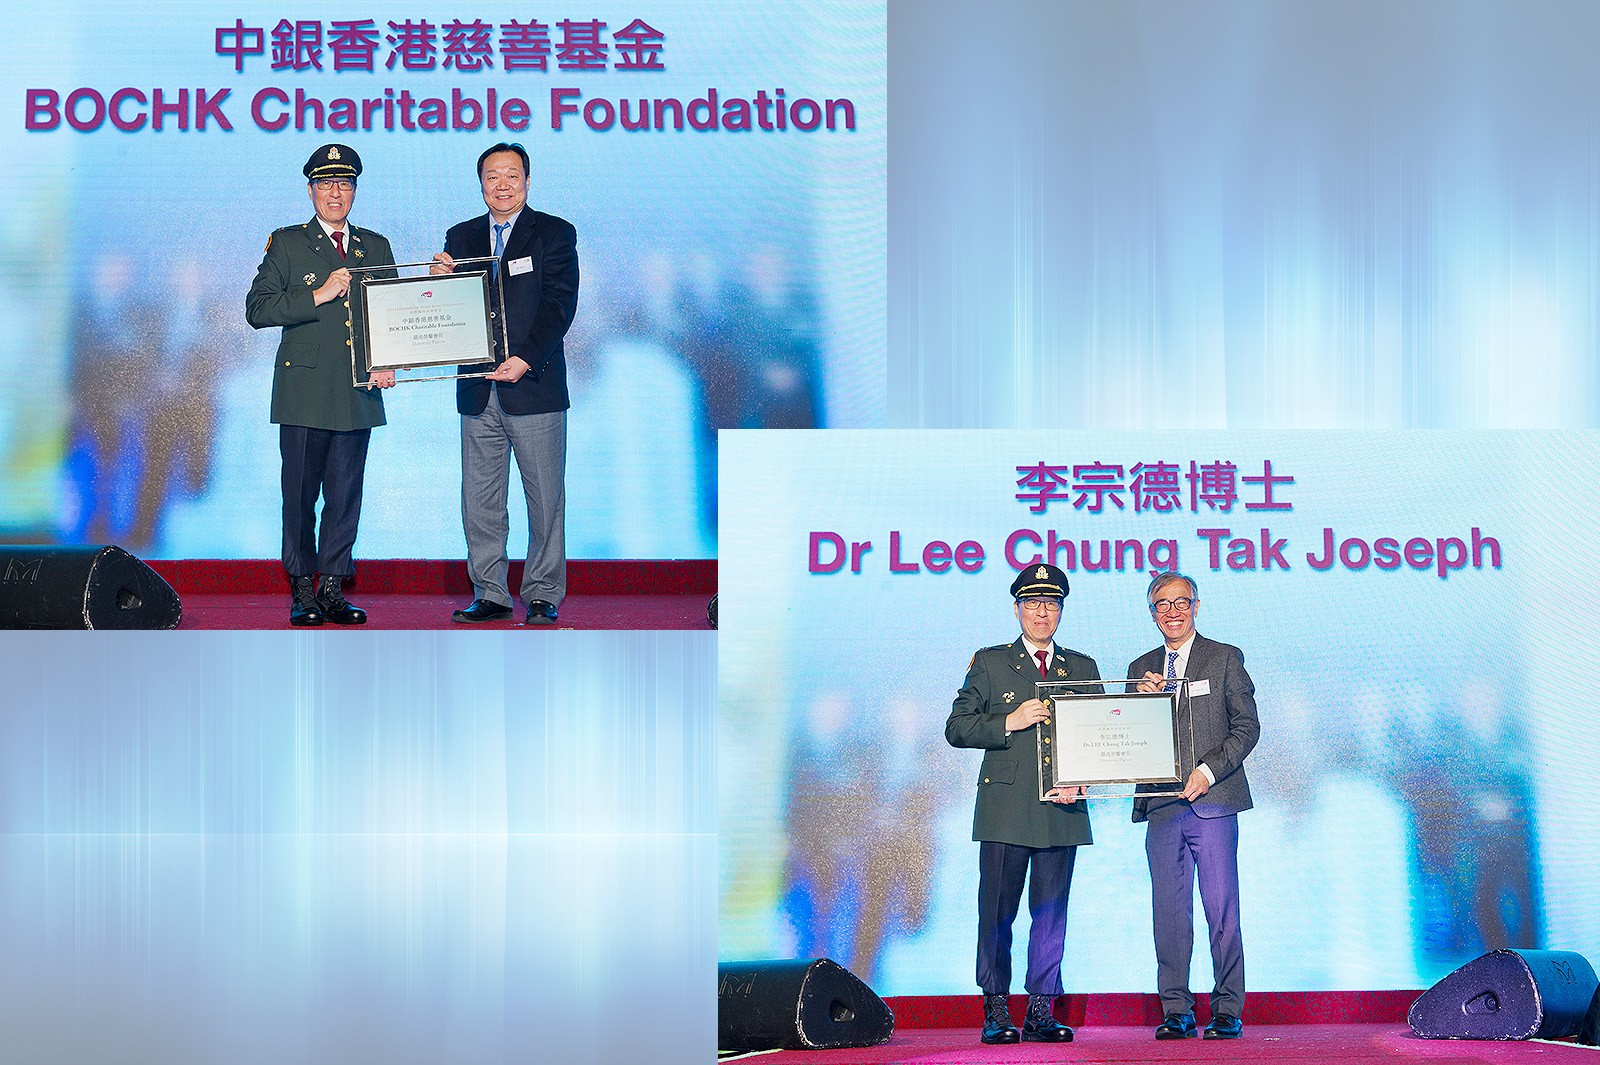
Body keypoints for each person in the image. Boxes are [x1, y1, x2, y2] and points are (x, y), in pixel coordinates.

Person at [944, 564, 1099, 1045]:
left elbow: (1097, 736)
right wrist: (1008, 720)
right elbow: (957, 728)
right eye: (1032, 603)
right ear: (1017, 610)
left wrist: (1087, 780)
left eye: (1050, 604)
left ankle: (1039, 1012)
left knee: (1051, 915)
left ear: (1060, 612)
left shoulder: (1082, 667)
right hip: (1006, 808)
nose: (1041, 612)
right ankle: (995, 1010)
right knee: (997, 913)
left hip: (1062, 807)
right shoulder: (990, 663)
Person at [246, 143, 395, 626]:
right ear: (311, 190)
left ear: (354, 191)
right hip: (305, 390)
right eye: (327, 184)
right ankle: (302, 590)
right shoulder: (287, 244)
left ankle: (333, 588)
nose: (336, 192)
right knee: (301, 494)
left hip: (358, 388)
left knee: (346, 494)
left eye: (345, 184)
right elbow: (258, 309)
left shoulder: (374, 246)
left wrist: (391, 359)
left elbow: (389, 315)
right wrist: (320, 292)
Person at [430, 142, 579, 626]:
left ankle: (541, 592)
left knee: (545, 498)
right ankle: (490, 592)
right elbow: (447, 310)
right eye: (492, 175)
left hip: (532, 387)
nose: (502, 184)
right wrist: (436, 282)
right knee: (481, 500)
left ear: (527, 181)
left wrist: (525, 359)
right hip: (477, 390)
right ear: (481, 183)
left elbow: (560, 305)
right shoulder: (461, 235)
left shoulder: (554, 233)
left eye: (511, 175)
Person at [1128, 571, 1260, 1040]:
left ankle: (1227, 1009)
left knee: (1221, 908)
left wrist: (1207, 771)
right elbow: (1128, 740)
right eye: (1161, 605)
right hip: (1162, 807)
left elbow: (1246, 728)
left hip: (1214, 802)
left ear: (1196, 606)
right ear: (1152, 613)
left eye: (1180, 602)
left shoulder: (1224, 658)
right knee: (1169, 911)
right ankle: (1177, 1010)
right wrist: (1139, 705)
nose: (1172, 611)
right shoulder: (1140, 667)